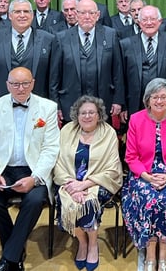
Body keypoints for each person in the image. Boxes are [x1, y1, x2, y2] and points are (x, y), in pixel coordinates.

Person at [0, 67, 60, 271]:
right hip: (2, 169)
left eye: (25, 84)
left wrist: (35, 178)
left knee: (35, 200)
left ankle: (9, 258)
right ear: (7, 85)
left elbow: (51, 149)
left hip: (33, 169)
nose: (20, 88)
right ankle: (14, 249)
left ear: (33, 83)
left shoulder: (47, 107)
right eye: (15, 84)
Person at [122, 78, 166, 271]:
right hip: (143, 174)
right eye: (155, 97)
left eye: (164, 97)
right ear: (147, 99)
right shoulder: (136, 119)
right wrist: (147, 177)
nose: (160, 101)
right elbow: (131, 157)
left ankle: (164, 253)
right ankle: (150, 252)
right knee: (148, 198)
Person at [53, 95, 123, 271]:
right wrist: (72, 185)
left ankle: (92, 244)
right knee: (67, 200)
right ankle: (82, 242)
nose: (87, 116)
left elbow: (113, 168)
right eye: (83, 113)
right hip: (69, 183)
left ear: (99, 115)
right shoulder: (67, 131)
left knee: (88, 202)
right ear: (77, 115)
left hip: (98, 183)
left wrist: (84, 185)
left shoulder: (108, 133)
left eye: (92, 112)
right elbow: (58, 162)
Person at [55, 0, 124, 124]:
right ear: (76, 14)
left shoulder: (111, 35)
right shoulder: (62, 38)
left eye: (91, 13)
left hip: (103, 101)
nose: (87, 17)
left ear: (97, 15)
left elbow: (118, 70)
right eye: (82, 13)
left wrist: (117, 100)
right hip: (70, 102)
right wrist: (56, 105)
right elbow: (54, 76)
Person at [0, 0, 59, 104]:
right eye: (17, 12)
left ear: (32, 15)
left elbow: (53, 79)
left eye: (26, 11)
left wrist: (54, 105)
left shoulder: (48, 39)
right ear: (10, 15)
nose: (22, 15)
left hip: (38, 105)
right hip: (2, 105)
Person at [120, 5, 166, 118]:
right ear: (138, 21)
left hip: (164, 103)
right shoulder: (126, 44)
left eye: (152, 19)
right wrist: (124, 106)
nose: (149, 23)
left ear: (160, 21)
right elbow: (121, 77)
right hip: (135, 103)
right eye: (145, 19)